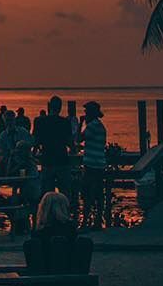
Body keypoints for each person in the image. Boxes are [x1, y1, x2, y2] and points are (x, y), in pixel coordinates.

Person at [32, 95, 74, 195]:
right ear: (60, 107)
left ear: (49, 106)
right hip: (62, 160)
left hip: (47, 160)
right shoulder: (65, 122)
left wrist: (34, 153)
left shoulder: (40, 121)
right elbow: (70, 143)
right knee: (65, 192)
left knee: (46, 193)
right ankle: (65, 209)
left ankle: (47, 210)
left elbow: (36, 141)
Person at [79, 101, 108, 229]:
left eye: (86, 112)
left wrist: (81, 124)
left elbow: (78, 139)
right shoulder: (100, 126)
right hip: (100, 164)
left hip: (91, 165)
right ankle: (98, 220)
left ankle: (85, 221)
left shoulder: (92, 126)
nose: (84, 115)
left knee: (87, 194)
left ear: (90, 113)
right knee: (98, 193)